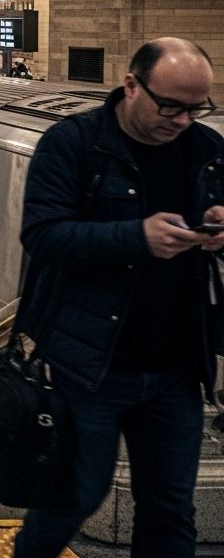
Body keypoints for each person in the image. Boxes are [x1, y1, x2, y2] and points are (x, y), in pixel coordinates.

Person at [12, 38, 224, 558]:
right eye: (169, 106)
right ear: (131, 85)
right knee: (73, 498)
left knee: (171, 511)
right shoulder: (74, 144)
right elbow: (43, 235)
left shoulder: (206, 150)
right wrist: (137, 237)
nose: (182, 120)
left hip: (177, 366)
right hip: (89, 367)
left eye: (196, 108)